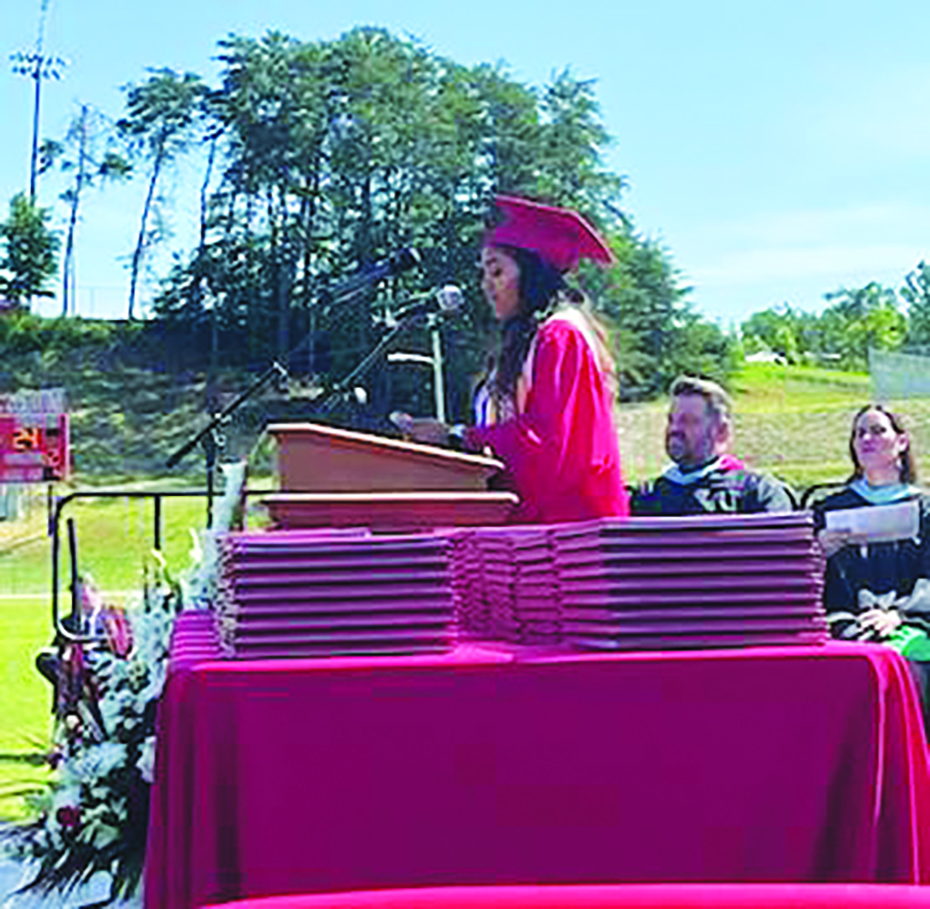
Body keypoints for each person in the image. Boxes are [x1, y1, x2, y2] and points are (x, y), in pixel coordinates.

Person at [401, 195, 629, 524]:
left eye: (496, 271)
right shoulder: (527, 342)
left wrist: (456, 437)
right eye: (483, 273)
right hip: (537, 530)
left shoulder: (561, 336)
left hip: (569, 534)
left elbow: (547, 442)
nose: (486, 285)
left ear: (532, 273)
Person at [812, 405, 930, 721]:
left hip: (912, 622)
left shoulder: (925, 510)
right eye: (859, 433)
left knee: (909, 670)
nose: (866, 439)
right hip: (842, 622)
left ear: (902, 442)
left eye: (877, 430)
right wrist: (816, 552)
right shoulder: (826, 511)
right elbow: (800, 582)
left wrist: (900, 615)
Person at [631, 375, 794, 515]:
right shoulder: (647, 497)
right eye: (671, 420)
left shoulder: (758, 495)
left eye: (688, 421)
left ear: (721, 432)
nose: (674, 429)